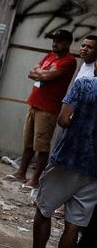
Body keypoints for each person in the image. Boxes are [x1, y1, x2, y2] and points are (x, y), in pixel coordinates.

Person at [4, 66, 97, 248]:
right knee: (74, 224)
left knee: (44, 210)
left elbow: (63, 119)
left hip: (68, 158)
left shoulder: (84, 85)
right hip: (94, 170)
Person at [10, 29, 77, 188]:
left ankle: (35, 180)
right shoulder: (50, 56)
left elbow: (46, 76)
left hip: (48, 108)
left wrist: (42, 73)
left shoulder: (69, 61)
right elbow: (31, 73)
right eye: (54, 40)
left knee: (42, 145)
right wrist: (43, 73)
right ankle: (21, 173)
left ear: (67, 43)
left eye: (59, 41)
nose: (55, 44)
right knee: (28, 142)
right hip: (34, 103)